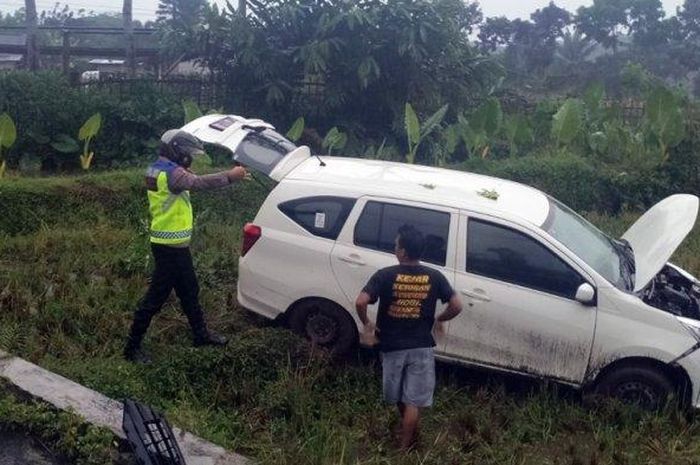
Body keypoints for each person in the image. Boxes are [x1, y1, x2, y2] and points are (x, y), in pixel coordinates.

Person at [123, 129, 248, 363]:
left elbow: (184, 177)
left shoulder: (157, 168)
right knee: (155, 299)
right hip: (170, 247)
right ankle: (131, 349)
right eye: (187, 153)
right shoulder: (173, 175)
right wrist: (232, 176)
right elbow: (198, 182)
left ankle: (200, 335)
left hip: (172, 245)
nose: (189, 157)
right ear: (176, 151)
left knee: (189, 290)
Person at [355, 224, 462, 450]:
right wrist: (439, 319)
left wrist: (367, 324)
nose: (395, 248)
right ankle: (407, 446)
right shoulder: (435, 276)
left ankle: (407, 439)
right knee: (413, 400)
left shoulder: (385, 275)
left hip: (391, 346)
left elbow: (361, 301)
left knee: (399, 397)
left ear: (402, 252)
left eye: (396, 245)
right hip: (421, 347)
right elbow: (457, 305)